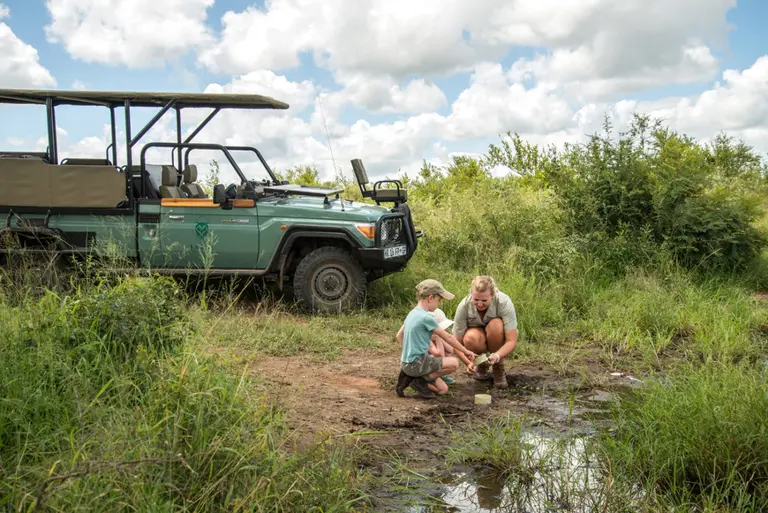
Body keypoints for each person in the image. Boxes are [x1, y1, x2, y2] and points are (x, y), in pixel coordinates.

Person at [396, 279, 476, 398]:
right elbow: (448, 337)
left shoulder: (412, 313)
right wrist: (466, 351)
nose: (439, 303)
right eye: (439, 300)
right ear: (430, 298)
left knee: (443, 390)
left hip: (406, 363)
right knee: (454, 363)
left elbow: (398, 335)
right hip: (417, 363)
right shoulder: (426, 317)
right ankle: (420, 380)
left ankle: (414, 380)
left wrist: (407, 354)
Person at [452, 276, 518, 389]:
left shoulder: (504, 302)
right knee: (470, 337)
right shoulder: (464, 306)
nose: (480, 304)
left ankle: (497, 366)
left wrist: (497, 356)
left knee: (496, 325)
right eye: (476, 299)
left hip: (496, 335)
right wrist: (468, 362)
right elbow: (455, 342)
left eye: (484, 300)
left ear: (492, 296)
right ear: (471, 294)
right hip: (476, 337)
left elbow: (511, 340)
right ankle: (480, 363)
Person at [395, 307, 467, 384]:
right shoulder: (425, 337)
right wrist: (438, 338)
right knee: (447, 362)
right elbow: (439, 354)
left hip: (425, 361)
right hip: (419, 362)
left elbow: (450, 350)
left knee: (447, 353)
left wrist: (439, 338)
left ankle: (436, 375)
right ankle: (422, 379)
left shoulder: (434, 335)